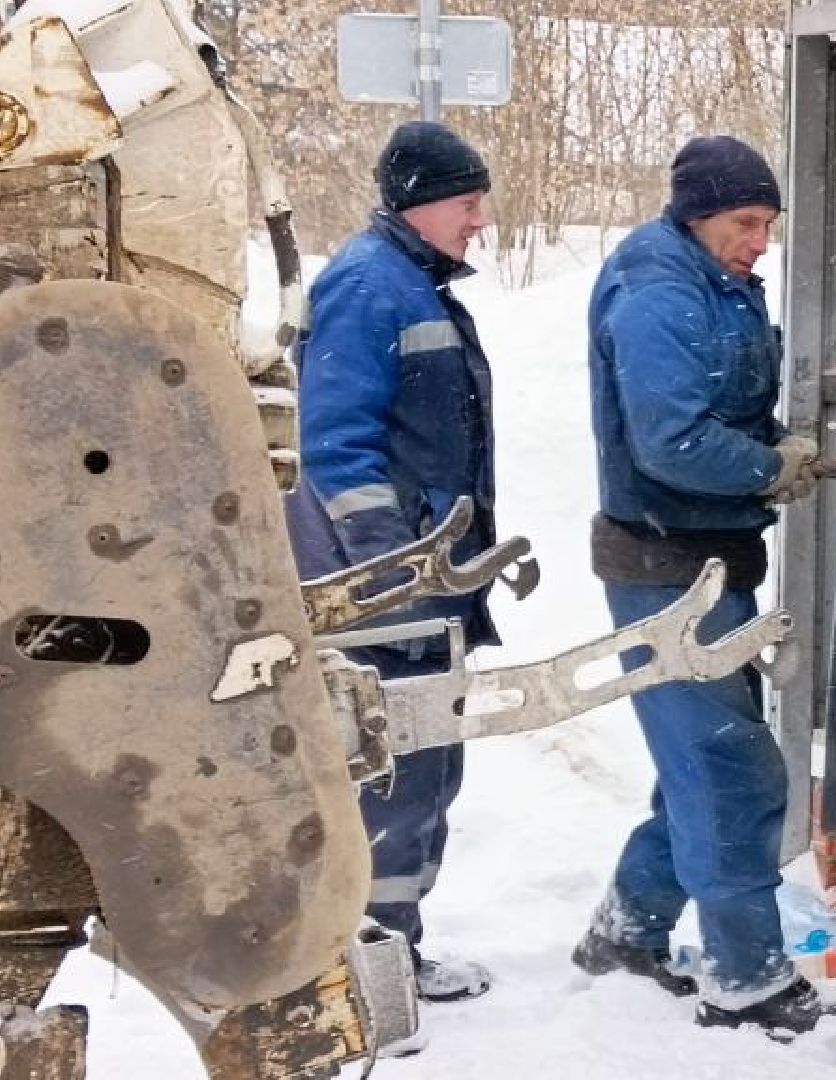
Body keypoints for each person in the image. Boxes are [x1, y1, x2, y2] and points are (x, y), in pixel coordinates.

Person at [570, 135, 821, 1038]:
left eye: (769, 225)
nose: (761, 242)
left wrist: (775, 444)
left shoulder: (714, 280)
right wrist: (768, 470)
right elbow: (671, 441)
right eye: (747, 224)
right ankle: (746, 977)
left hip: (706, 563)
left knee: (699, 765)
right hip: (666, 569)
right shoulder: (660, 291)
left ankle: (627, 935)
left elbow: (728, 404)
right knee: (730, 772)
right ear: (698, 212)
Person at [288, 120, 500, 1006]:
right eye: (467, 201)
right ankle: (362, 982)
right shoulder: (369, 289)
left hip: (423, 588)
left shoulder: (408, 284)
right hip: (385, 595)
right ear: (419, 203)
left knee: (427, 773)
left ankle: (392, 960)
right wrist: (394, 566)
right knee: (391, 783)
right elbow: (334, 447)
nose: (480, 219)